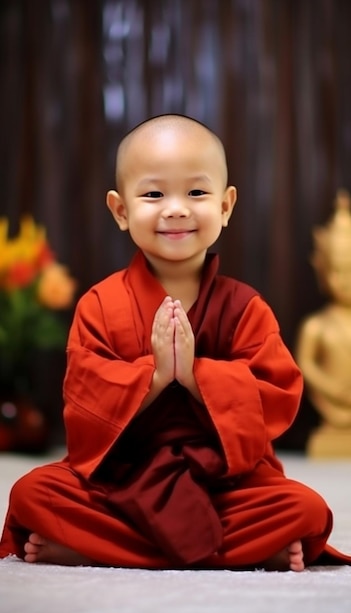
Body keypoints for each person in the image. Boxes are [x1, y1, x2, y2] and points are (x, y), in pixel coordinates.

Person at [0, 114, 350, 572]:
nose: (177, 208)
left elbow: (276, 397)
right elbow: (83, 402)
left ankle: (94, 550)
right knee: (34, 494)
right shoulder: (100, 305)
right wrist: (156, 377)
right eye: (153, 194)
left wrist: (196, 375)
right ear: (120, 210)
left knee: (302, 509)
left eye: (197, 193)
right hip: (123, 476)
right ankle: (241, 554)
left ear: (226, 207)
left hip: (221, 478)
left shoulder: (246, 307)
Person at [295, 189, 351, 457]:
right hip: (334, 407)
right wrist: (333, 390)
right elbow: (305, 365)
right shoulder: (316, 326)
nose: (344, 281)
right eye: (337, 271)